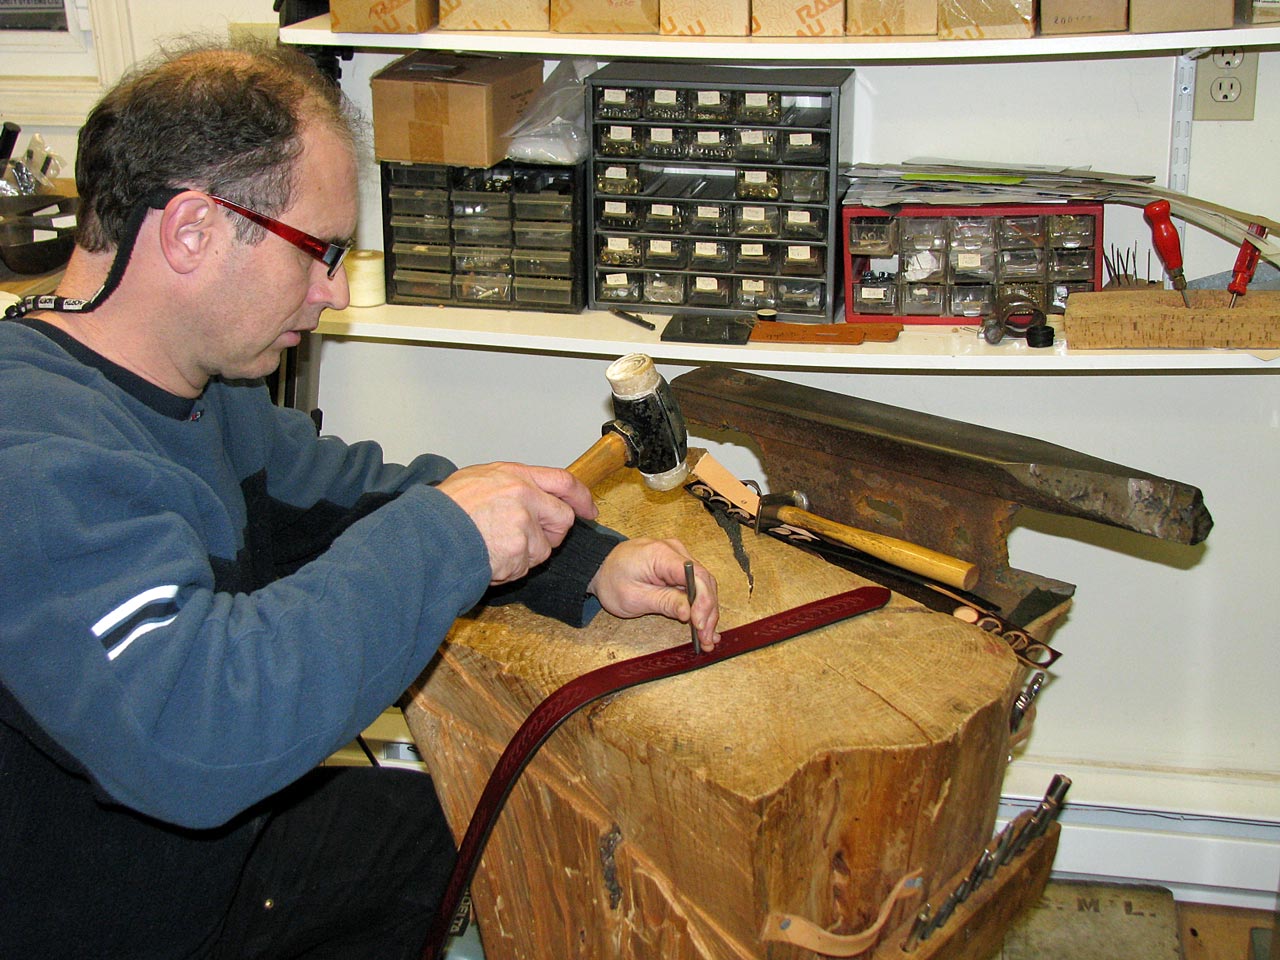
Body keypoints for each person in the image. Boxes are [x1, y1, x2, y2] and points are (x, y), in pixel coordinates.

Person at [0, 40, 720, 959]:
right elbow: (196, 728)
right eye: (319, 251)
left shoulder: (206, 393)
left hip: (214, 864)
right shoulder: (30, 456)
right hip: (101, 916)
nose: (333, 291)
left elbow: (357, 496)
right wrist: (445, 540)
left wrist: (587, 559)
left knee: (460, 822)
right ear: (191, 231)